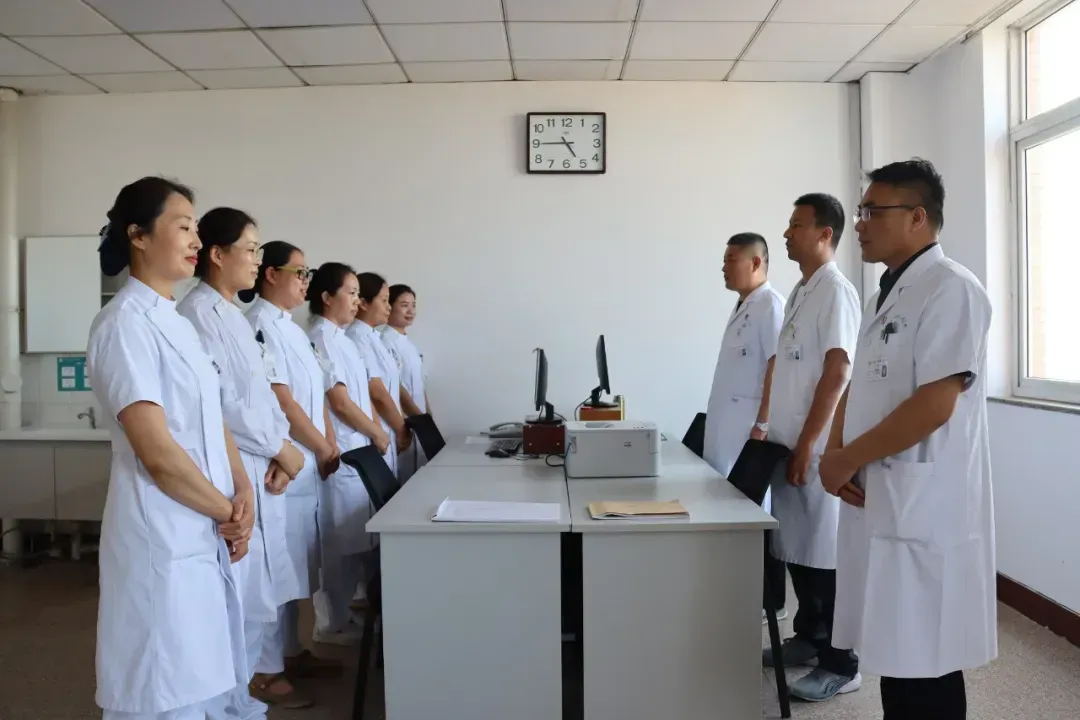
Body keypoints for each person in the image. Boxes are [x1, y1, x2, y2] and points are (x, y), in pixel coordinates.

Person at [821, 159, 995, 719]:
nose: (860, 223)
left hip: (924, 502)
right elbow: (859, 384)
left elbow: (935, 404)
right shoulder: (883, 296)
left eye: (873, 211)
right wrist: (833, 452)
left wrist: (848, 456)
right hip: (880, 491)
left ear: (918, 217)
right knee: (894, 652)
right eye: (861, 211)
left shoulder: (952, 289)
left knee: (926, 657)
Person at [87, 177, 254, 719]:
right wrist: (228, 511)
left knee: (200, 679)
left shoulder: (176, 323)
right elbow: (157, 453)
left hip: (200, 526)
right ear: (138, 235)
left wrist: (242, 488)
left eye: (196, 229)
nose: (196, 240)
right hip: (160, 531)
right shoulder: (123, 325)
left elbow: (211, 418)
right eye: (183, 227)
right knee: (161, 691)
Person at [177, 209, 310, 716]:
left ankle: (242, 702)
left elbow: (267, 396)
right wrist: (283, 449)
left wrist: (282, 451)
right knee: (234, 604)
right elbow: (225, 405)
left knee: (258, 599)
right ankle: (229, 706)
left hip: (263, 467)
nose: (257, 259)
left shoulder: (234, 315)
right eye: (250, 249)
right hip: (234, 473)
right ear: (217, 254)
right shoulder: (197, 315)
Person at [763, 192, 862, 701]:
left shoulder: (837, 292)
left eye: (796, 225)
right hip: (788, 444)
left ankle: (842, 664)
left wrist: (807, 446)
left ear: (825, 234)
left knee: (824, 557)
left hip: (816, 447)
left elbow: (838, 372)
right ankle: (809, 636)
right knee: (798, 551)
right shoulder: (802, 290)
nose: (786, 233)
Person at [244, 242, 342, 706]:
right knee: (273, 573)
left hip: (306, 465)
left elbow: (315, 395)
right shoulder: (259, 325)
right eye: (299, 272)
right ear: (270, 274)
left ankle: (289, 651)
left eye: (308, 273)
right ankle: (264, 671)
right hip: (281, 467)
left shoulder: (294, 329)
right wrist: (321, 446)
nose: (306, 281)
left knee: (296, 570)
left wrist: (327, 442)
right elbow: (282, 400)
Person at [701, 232, 786, 623]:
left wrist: (763, 422)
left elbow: (776, 365)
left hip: (748, 432)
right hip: (727, 429)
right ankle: (738, 591)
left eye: (730, 259)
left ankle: (770, 602)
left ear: (756, 262)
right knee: (731, 511)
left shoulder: (770, 305)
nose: (723, 266)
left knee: (752, 514)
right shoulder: (744, 305)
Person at [307, 263, 390, 645]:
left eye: (359, 294)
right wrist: (376, 431)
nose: (357, 301)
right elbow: (339, 402)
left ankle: (342, 615)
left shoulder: (343, 339)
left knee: (354, 540)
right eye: (351, 293)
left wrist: (375, 430)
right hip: (343, 450)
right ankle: (329, 624)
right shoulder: (320, 338)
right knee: (338, 546)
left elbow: (361, 394)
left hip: (360, 447)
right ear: (327, 297)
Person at [346, 272, 411, 477]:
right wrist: (400, 428)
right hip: (378, 431)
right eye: (384, 301)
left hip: (387, 430)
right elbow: (376, 392)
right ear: (364, 303)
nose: (388, 307)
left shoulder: (374, 337)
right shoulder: (357, 337)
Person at [381, 284, 430, 480]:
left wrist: (428, 415)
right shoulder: (385, 341)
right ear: (389, 306)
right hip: (404, 423)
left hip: (418, 421)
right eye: (404, 305)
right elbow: (395, 387)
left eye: (413, 305)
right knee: (404, 478)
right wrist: (418, 418)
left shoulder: (408, 343)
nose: (410, 311)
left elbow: (419, 384)